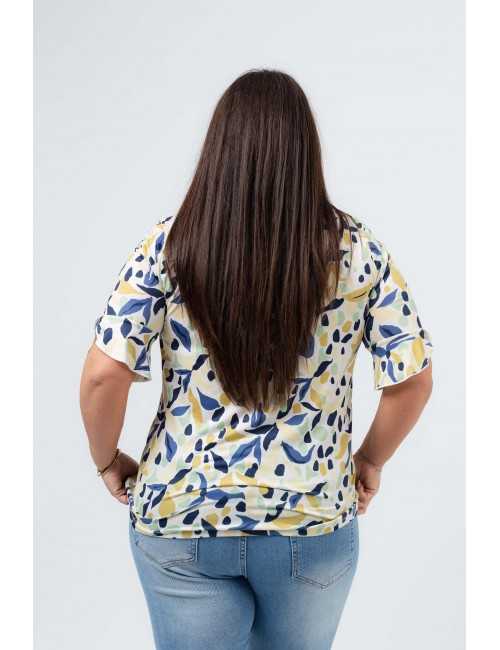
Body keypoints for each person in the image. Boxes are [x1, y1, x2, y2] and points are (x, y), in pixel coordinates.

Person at [80, 69, 433, 650]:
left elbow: (102, 375)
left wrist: (106, 459)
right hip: (312, 514)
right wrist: (369, 460)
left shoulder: (168, 247)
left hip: (183, 511)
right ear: (306, 152)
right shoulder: (359, 252)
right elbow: (411, 380)